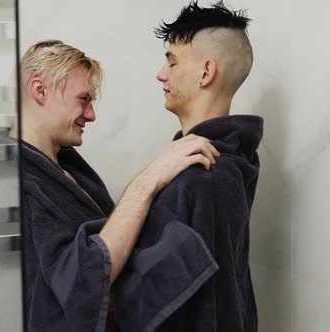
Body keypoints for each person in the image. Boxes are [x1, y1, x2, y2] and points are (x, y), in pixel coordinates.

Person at [17, 40, 220, 331]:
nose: (91, 115)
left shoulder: (70, 170)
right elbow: (78, 280)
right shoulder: (10, 185)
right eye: (83, 99)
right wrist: (148, 181)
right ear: (40, 90)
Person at [113, 2, 263, 331]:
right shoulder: (236, 161)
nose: (160, 73)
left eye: (172, 60)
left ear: (206, 72)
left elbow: (165, 306)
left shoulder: (199, 177)